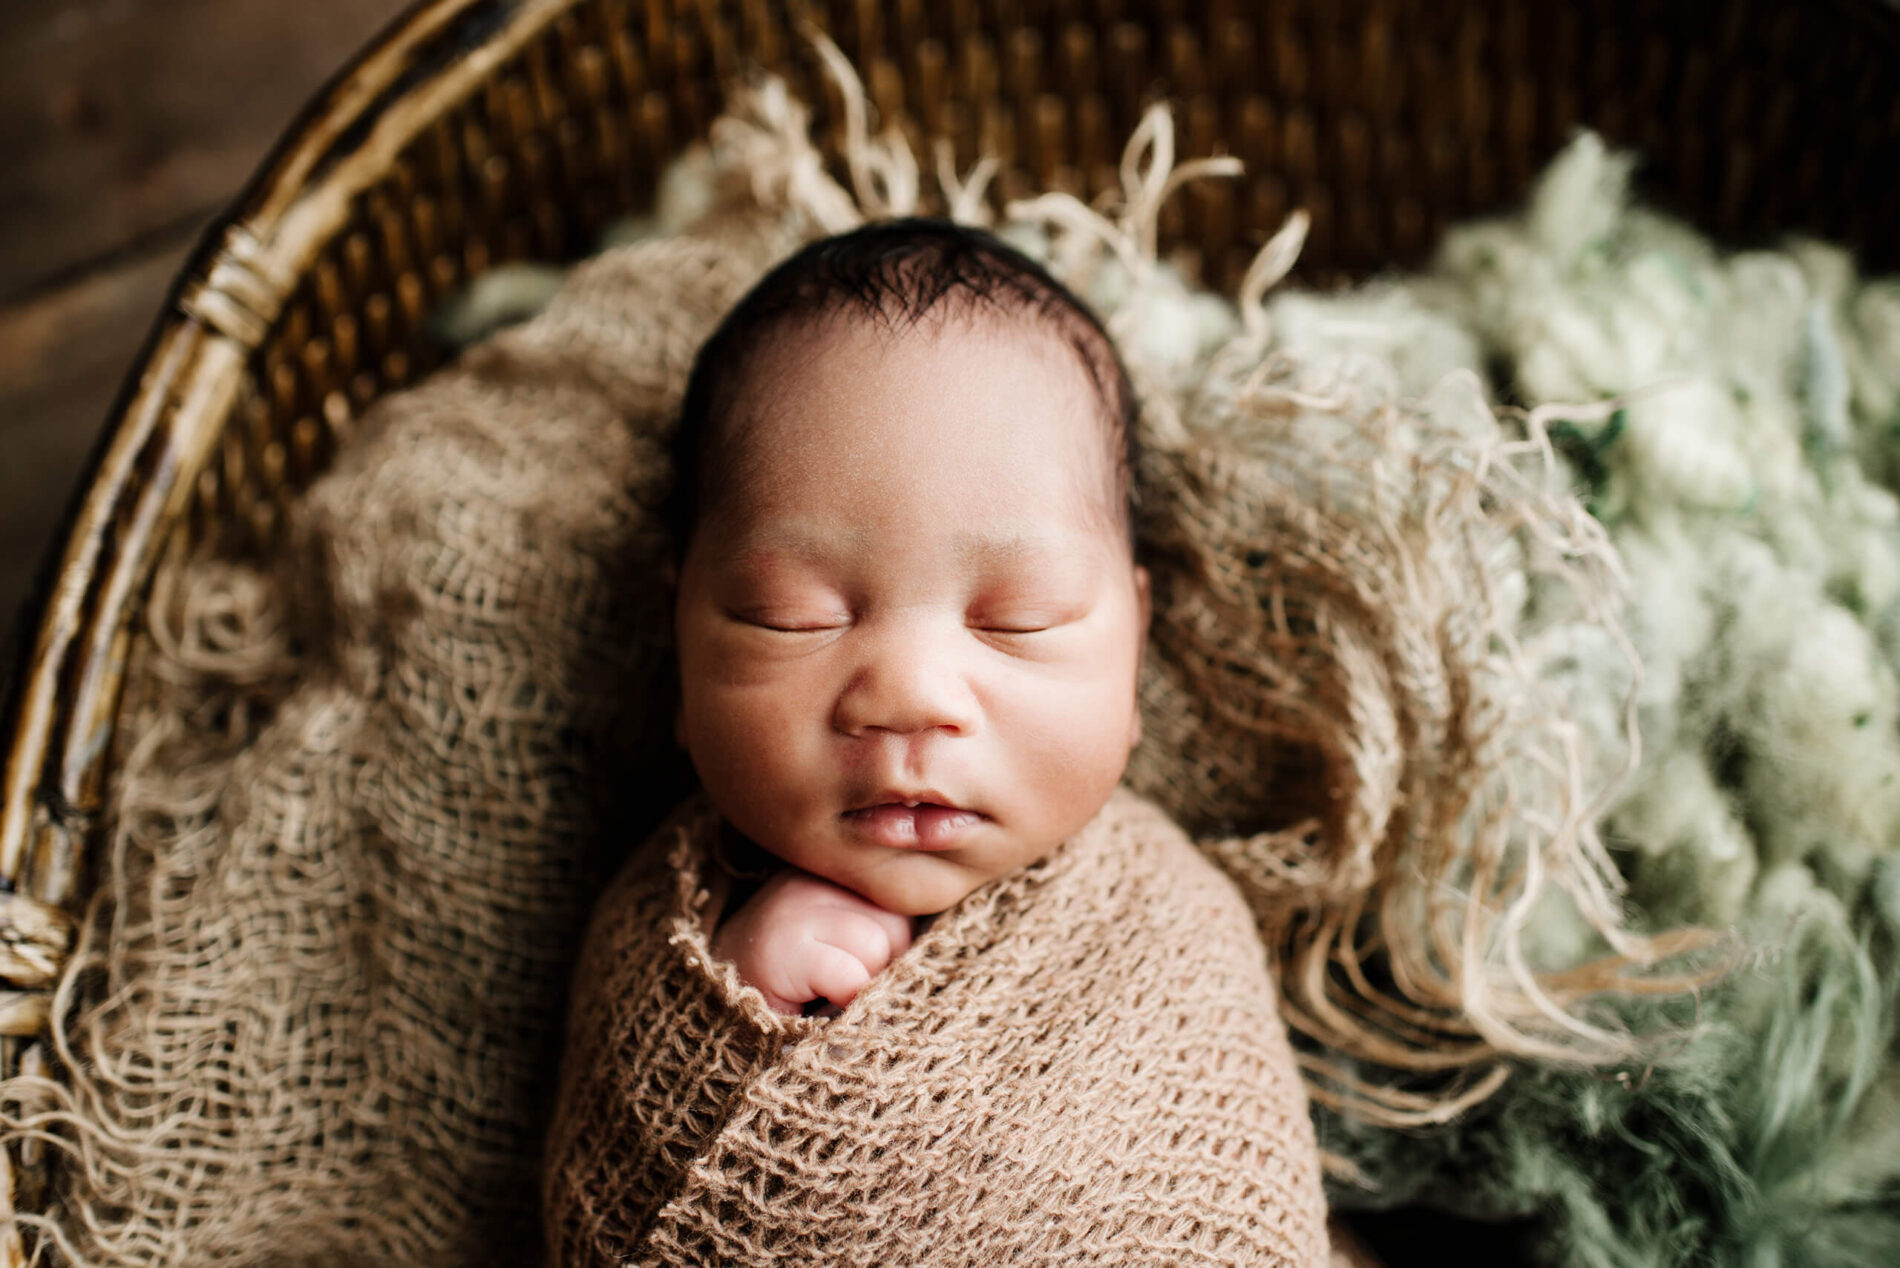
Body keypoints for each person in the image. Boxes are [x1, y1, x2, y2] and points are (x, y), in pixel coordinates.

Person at [543, 218, 1329, 1266]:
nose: (910, 695)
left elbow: (1241, 1197)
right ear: (676, 642)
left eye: (1019, 616)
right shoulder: (659, 911)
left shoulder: (1169, 914)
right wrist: (724, 1005)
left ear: (1133, 647)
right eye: (793, 613)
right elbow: (600, 1199)